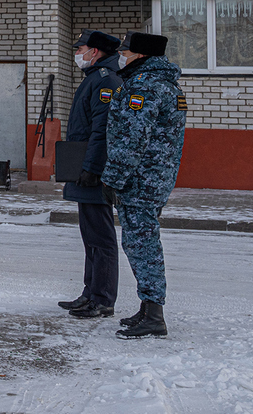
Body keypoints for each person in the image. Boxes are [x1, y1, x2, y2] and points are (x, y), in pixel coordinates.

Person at [101, 30, 187, 339]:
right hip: (155, 178)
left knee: (142, 245)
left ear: (141, 55)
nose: (121, 54)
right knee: (141, 243)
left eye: (126, 50)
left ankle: (154, 315)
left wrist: (112, 178)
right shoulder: (167, 86)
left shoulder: (145, 87)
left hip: (140, 181)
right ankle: (148, 308)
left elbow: (133, 139)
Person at [58, 29, 123, 319]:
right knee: (90, 237)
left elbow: (103, 130)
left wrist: (92, 168)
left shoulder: (105, 81)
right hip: (85, 168)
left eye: (81, 48)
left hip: (93, 171)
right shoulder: (94, 79)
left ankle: (103, 299)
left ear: (94, 51)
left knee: (101, 238)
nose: (78, 53)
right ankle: (89, 293)